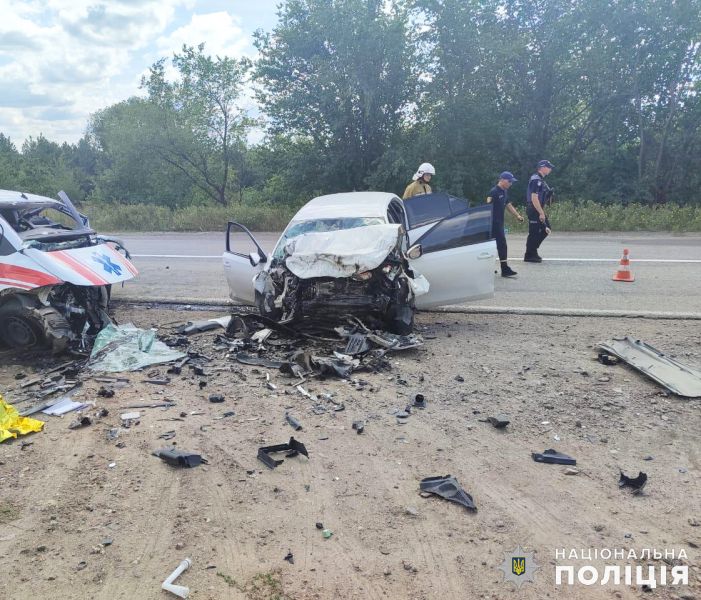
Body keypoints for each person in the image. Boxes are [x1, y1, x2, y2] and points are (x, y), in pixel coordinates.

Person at [486, 171, 524, 277]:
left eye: (512, 182)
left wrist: (517, 216)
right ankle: (504, 269)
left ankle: (494, 268)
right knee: (500, 245)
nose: (511, 183)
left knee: (498, 246)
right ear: (502, 180)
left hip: (499, 223)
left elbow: (508, 205)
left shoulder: (504, 191)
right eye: (509, 181)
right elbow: (487, 208)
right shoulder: (493, 192)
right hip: (493, 224)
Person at [524, 159, 554, 262]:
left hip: (537, 208)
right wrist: (541, 213)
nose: (550, 169)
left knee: (546, 229)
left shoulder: (541, 180)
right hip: (534, 209)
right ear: (542, 167)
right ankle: (529, 254)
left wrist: (548, 196)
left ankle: (532, 251)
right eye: (549, 167)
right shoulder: (536, 180)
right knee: (534, 232)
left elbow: (541, 198)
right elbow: (534, 198)